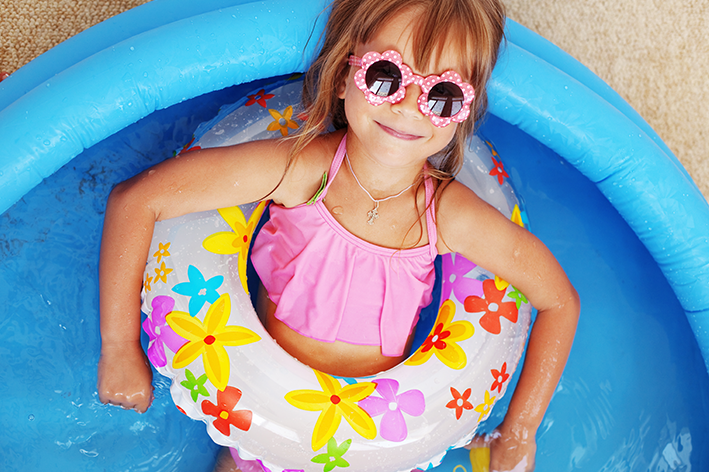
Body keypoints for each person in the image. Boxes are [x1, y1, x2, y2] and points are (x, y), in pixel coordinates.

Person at [97, 0, 580, 470]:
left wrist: (520, 431)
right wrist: (119, 347)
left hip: (380, 450)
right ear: (345, 71)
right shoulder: (300, 172)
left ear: (464, 111)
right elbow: (137, 199)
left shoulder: (450, 216)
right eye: (386, 77)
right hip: (261, 421)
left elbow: (559, 301)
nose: (410, 109)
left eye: (442, 96)